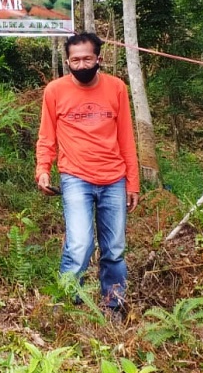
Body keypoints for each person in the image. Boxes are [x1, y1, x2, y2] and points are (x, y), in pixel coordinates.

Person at [35, 32, 140, 320]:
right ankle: (68, 300)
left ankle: (113, 305)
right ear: (67, 61)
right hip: (75, 177)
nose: (81, 65)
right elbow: (47, 136)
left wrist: (133, 182)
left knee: (114, 248)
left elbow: (126, 139)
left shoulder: (116, 88)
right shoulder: (54, 91)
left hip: (113, 178)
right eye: (75, 60)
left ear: (99, 59)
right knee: (80, 244)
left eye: (87, 59)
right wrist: (43, 168)